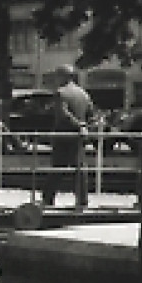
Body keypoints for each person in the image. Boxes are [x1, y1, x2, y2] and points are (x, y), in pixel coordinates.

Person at [42, 64, 94, 209]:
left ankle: (48, 198)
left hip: (63, 135)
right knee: (80, 168)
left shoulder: (60, 93)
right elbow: (91, 114)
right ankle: (82, 200)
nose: (55, 79)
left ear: (63, 76)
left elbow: (63, 114)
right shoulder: (84, 93)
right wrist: (84, 126)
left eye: (57, 76)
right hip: (79, 137)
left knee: (58, 168)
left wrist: (78, 125)